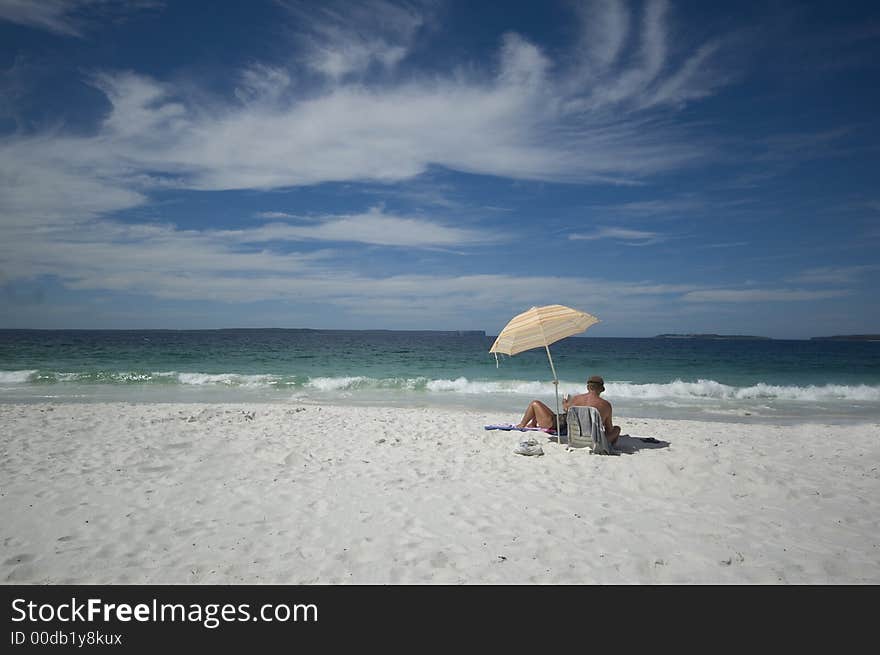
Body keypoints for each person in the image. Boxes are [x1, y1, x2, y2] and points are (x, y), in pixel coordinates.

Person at [517, 375, 621, 444]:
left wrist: (564, 402)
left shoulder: (577, 399)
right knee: (617, 429)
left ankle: (522, 424)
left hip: (572, 433)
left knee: (535, 403)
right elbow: (609, 429)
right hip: (592, 438)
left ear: (588, 387)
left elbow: (567, 410)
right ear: (601, 389)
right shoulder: (606, 406)